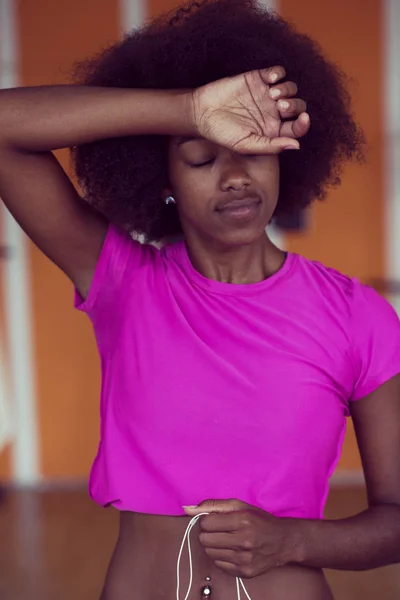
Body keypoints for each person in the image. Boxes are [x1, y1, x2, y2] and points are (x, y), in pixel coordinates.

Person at [0, 1, 399, 599]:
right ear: (164, 181)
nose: (235, 177)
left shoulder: (357, 316)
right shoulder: (123, 284)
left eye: (253, 151)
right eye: (202, 157)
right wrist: (187, 109)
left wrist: (292, 542)